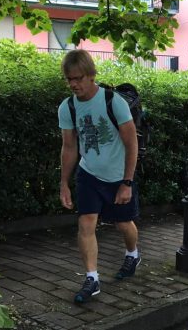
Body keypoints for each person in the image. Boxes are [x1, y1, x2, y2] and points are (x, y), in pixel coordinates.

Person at [58, 49, 141, 303]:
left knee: (122, 224)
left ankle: (133, 254)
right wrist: (64, 184)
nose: (74, 84)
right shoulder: (68, 107)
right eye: (69, 79)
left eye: (78, 78)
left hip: (118, 176)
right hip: (89, 174)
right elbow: (69, 147)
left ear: (91, 75)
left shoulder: (112, 101)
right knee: (86, 223)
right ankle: (92, 278)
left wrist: (127, 182)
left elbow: (131, 143)